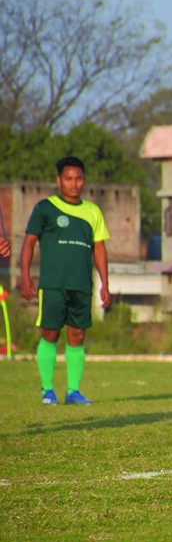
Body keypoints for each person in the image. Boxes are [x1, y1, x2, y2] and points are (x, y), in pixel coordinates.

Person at [19, 156, 110, 405]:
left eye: (78, 178)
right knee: (50, 333)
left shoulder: (93, 211)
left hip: (81, 284)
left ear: (84, 180)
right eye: (68, 178)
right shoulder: (45, 208)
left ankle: (73, 392)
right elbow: (29, 243)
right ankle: (47, 390)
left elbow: (99, 249)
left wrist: (105, 284)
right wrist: (25, 275)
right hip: (52, 284)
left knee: (77, 335)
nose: (74, 183)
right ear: (59, 180)